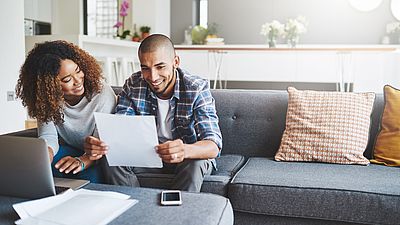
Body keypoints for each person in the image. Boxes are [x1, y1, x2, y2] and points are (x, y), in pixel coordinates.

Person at [84, 34, 222, 192]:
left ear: (175, 62)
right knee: (110, 158)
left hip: (187, 157)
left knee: (196, 163)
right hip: (149, 157)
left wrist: (184, 150)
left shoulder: (196, 88)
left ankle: (177, 215)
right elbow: (122, 128)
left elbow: (213, 145)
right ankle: (135, 208)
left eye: (160, 67)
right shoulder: (134, 85)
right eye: (145, 68)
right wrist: (100, 144)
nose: (153, 77)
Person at [16, 40, 117, 183]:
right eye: (67, 79)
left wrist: (82, 161)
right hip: (69, 149)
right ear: (49, 85)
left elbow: (100, 145)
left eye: (78, 71)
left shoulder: (102, 93)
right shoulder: (46, 99)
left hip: (97, 156)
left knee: (91, 180)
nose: (78, 81)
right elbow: (48, 136)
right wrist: (45, 156)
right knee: (38, 173)